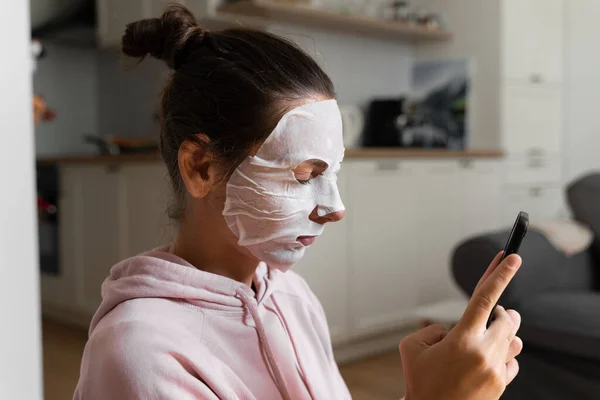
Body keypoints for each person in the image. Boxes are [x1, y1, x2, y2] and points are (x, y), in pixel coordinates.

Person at [73, 5, 522, 400]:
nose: (336, 207)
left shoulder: (292, 296)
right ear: (202, 168)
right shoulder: (139, 357)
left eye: (333, 173)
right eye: (305, 175)